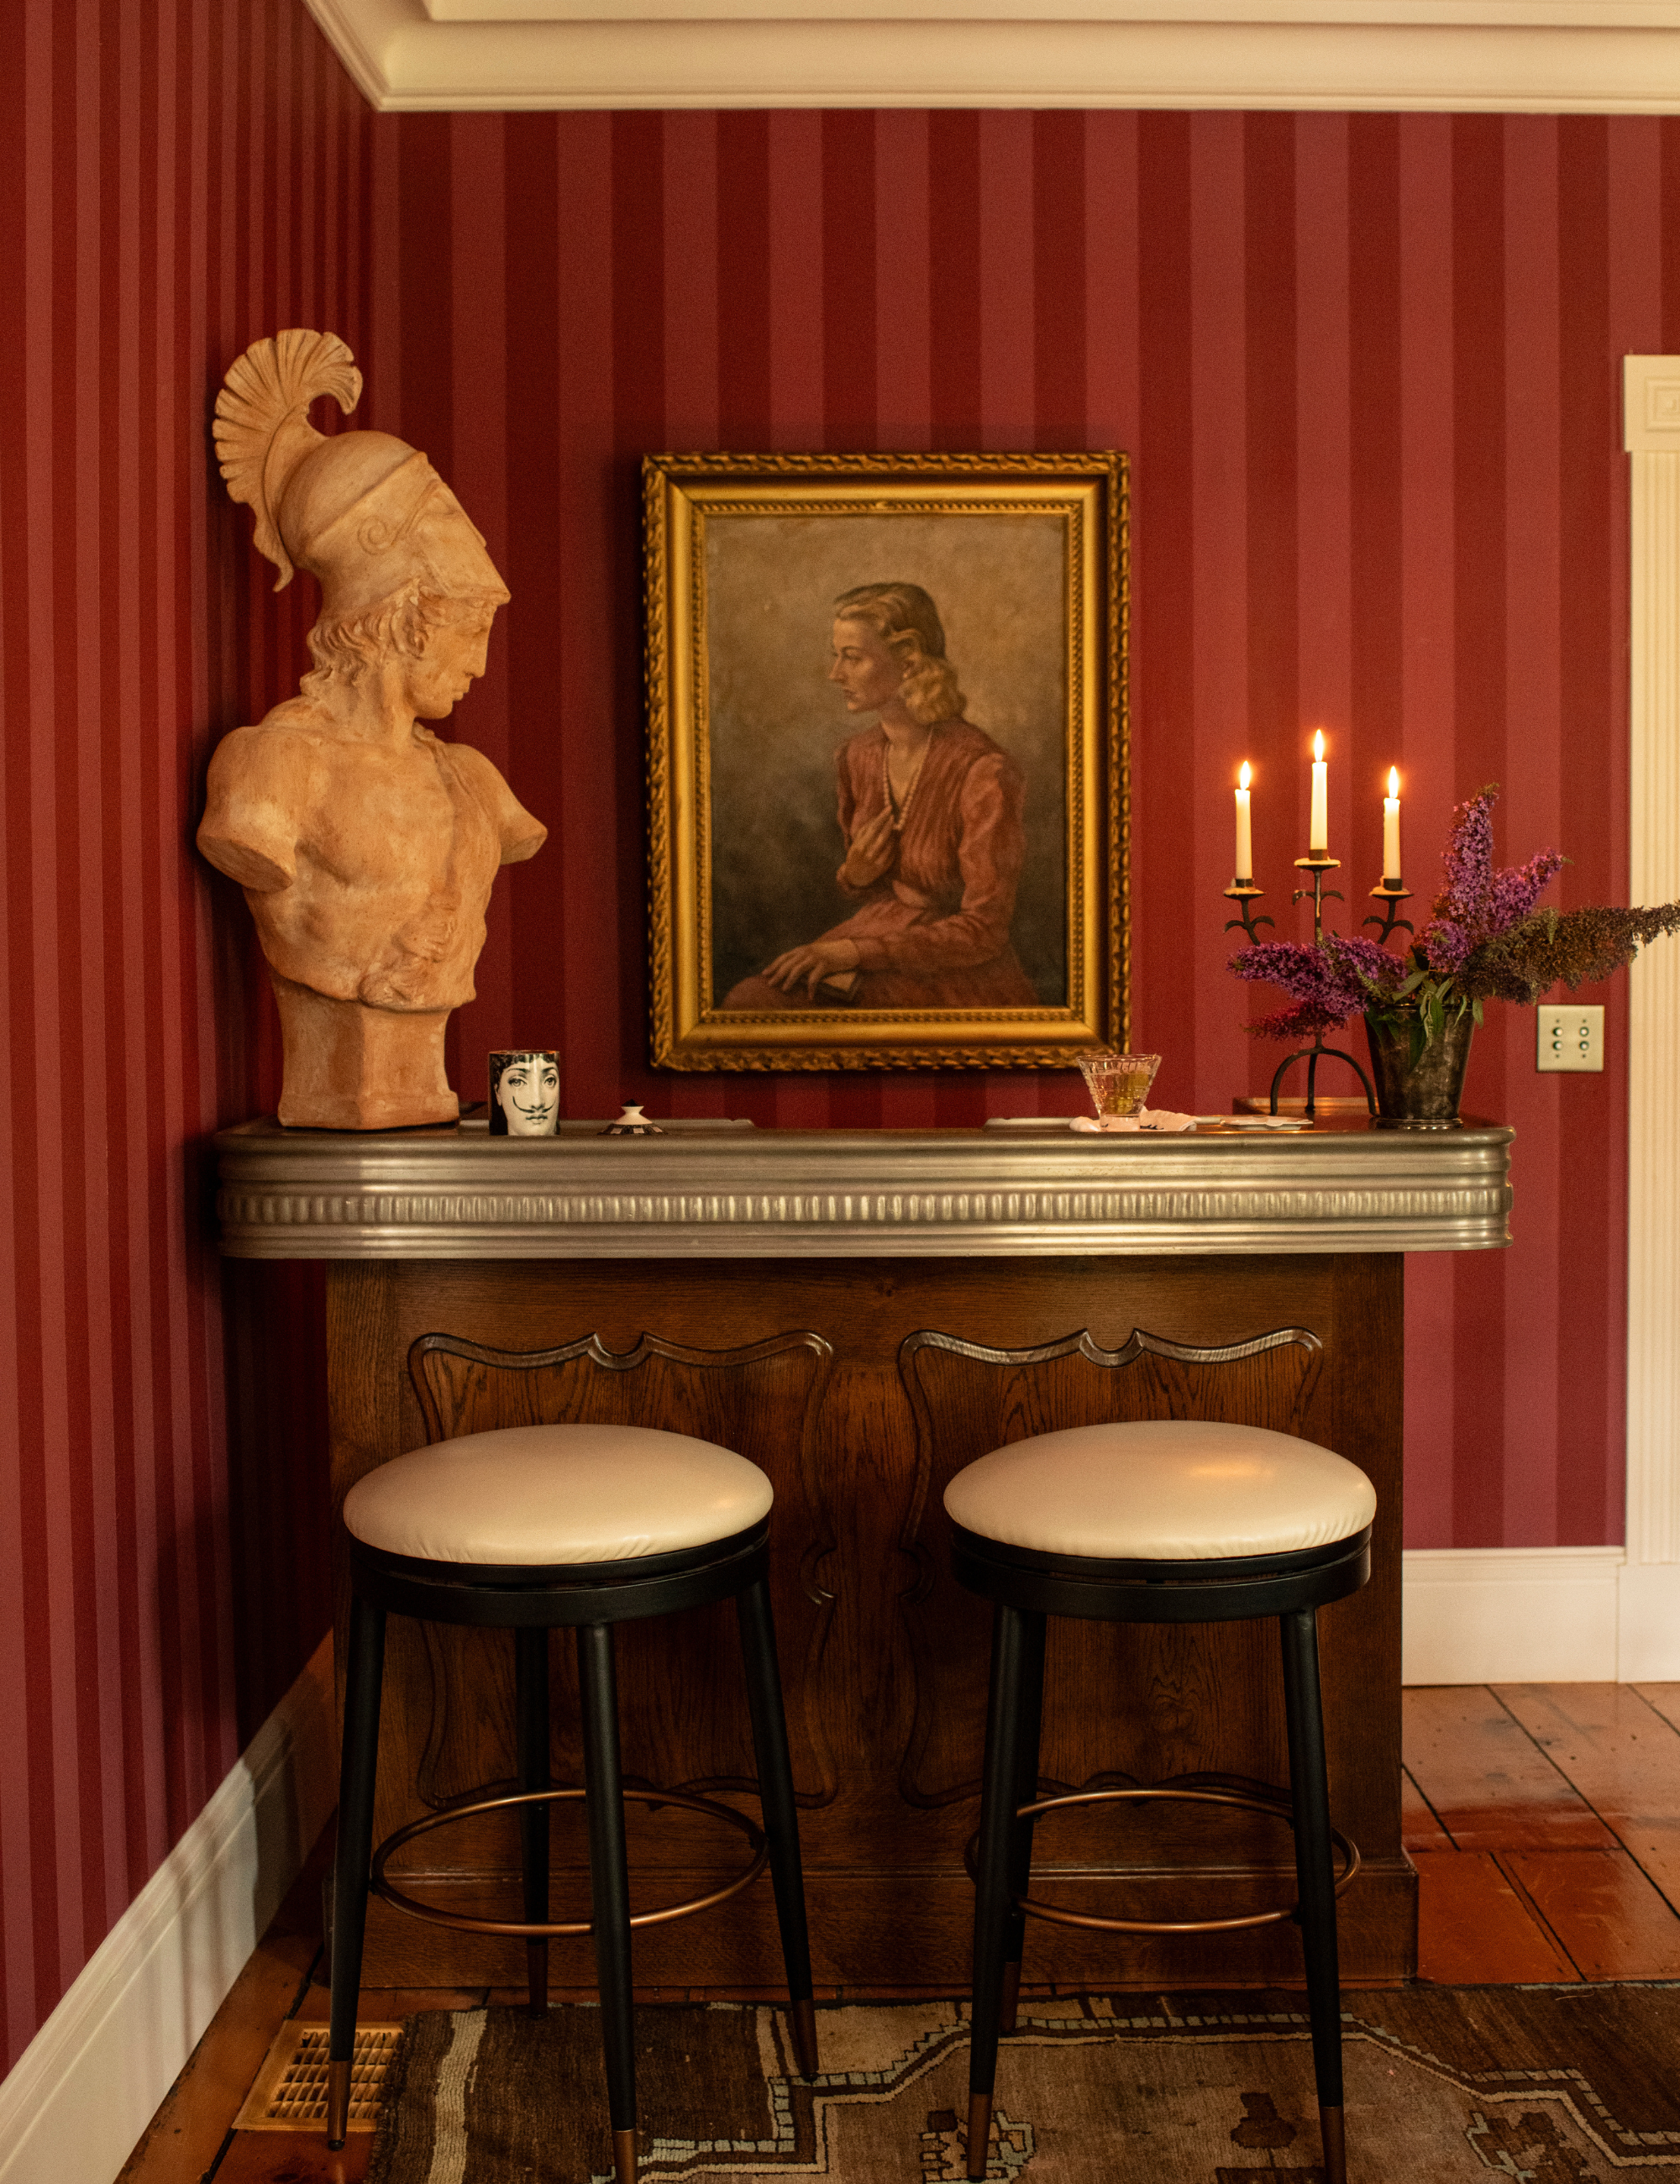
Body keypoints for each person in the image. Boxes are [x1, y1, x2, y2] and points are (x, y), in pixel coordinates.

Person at [197, 330, 545, 1129]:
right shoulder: (276, 768)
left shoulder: (473, 780)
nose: (480, 666)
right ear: (398, 622)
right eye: (468, 632)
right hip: (327, 1097)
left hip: (424, 1103)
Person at [721, 580, 1037, 1012]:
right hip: (874, 935)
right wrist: (855, 875)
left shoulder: (983, 771)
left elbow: (985, 930)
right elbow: (871, 892)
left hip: (950, 966)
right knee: (748, 1003)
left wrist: (854, 952)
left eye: (852, 657)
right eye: (837, 656)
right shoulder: (857, 756)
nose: (835, 674)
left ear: (908, 662)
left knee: (766, 1009)